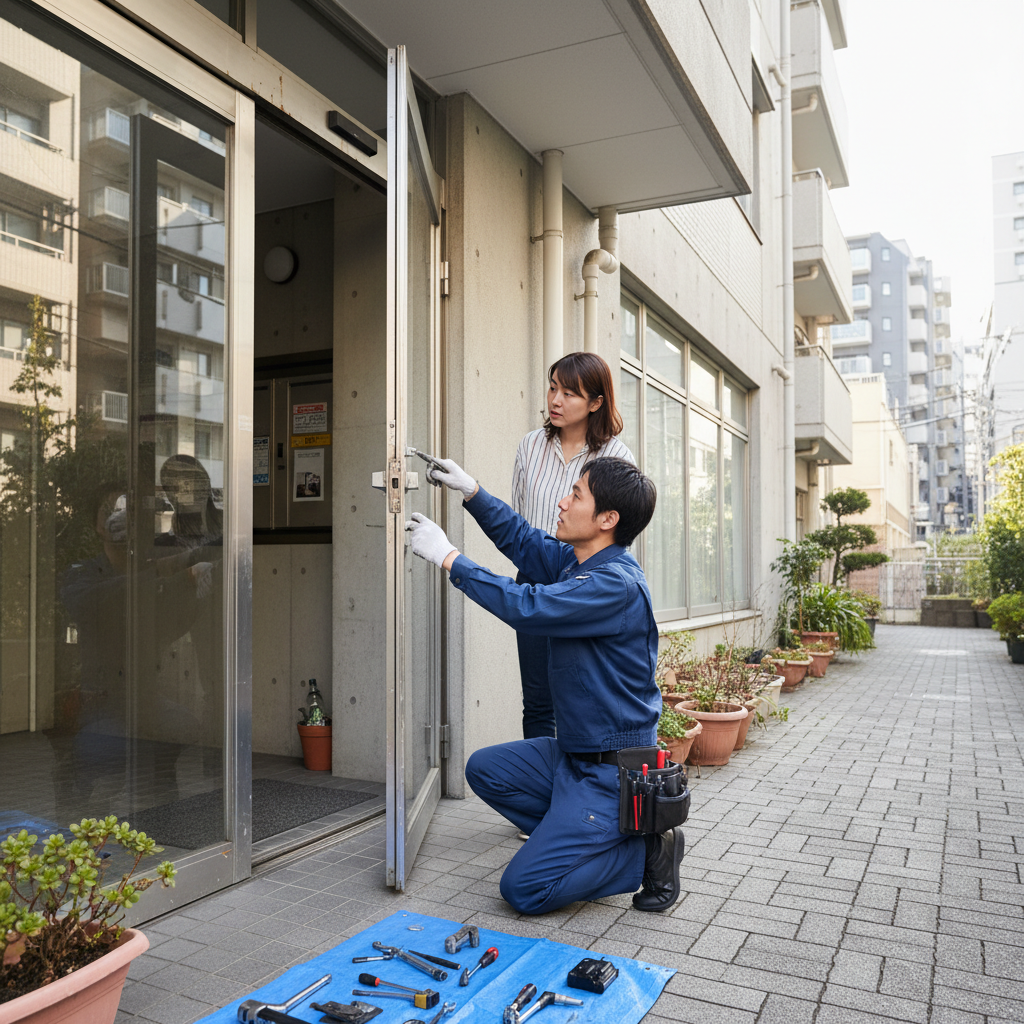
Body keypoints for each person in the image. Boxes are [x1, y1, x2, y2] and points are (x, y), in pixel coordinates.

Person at [406, 455, 686, 915]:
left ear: (607, 519)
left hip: (610, 774)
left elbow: (527, 607)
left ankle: (645, 853)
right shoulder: (576, 562)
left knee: (524, 889)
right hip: (572, 756)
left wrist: (448, 557)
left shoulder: (612, 584)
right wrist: (472, 491)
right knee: (484, 769)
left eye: (576, 495)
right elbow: (523, 539)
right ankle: (580, 838)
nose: (561, 502)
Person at [512, 352, 632, 739]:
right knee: (537, 700)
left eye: (569, 393)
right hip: (534, 580)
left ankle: (580, 788)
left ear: (596, 403)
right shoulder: (530, 446)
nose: (555, 401)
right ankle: (541, 794)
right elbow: (519, 518)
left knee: (581, 696)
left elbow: (620, 532)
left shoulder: (616, 457)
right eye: (552, 388)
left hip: (586, 586)